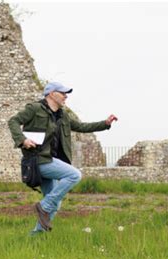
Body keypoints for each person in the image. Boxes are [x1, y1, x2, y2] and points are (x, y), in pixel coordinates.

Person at [8, 82, 118, 234]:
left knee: (57, 204)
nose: (66, 96)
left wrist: (105, 124)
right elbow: (13, 121)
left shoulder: (63, 115)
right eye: (63, 93)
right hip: (37, 160)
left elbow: (81, 127)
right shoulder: (34, 109)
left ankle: (36, 236)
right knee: (74, 175)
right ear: (52, 94)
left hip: (51, 161)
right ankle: (44, 206)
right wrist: (22, 140)